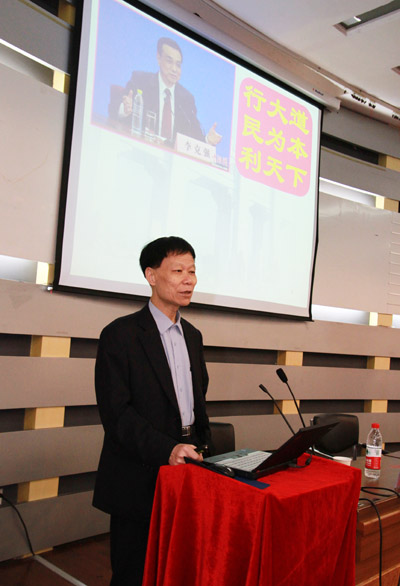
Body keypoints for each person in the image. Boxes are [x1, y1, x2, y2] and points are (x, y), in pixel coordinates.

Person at [93, 236, 211, 586]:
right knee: (134, 571)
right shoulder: (121, 334)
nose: (188, 280)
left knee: (178, 568)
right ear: (151, 275)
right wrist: (167, 448)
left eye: (192, 271)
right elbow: (117, 414)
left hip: (187, 469)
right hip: (138, 474)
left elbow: (197, 400)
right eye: (178, 271)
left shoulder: (193, 335)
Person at [117, 37, 222, 146]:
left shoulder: (187, 99)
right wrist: (124, 110)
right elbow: (114, 107)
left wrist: (207, 140)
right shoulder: (140, 81)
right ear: (158, 58)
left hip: (171, 155)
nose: (174, 69)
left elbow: (194, 134)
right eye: (169, 61)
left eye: (178, 65)